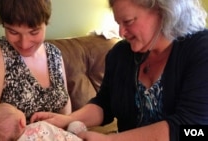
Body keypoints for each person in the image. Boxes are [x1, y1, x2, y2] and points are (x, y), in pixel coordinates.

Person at [29, 0, 208, 141]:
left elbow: (192, 130)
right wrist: (67, 119)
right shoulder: (120, 54)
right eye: (118, 22)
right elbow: (104, 103)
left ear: (161, 11)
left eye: (128, 21)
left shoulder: (201, 49)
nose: (121, 32)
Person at [0, 0, 71, 140]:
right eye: (13, 31)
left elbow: (66, 115)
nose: (24, 44)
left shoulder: (55, 54)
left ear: (46, 22)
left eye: (34, 32)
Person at [0, 103, 85, 141]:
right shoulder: (39, 126)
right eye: (17, 110)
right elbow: (59, 135)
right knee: (75, 126)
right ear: (22, 123)